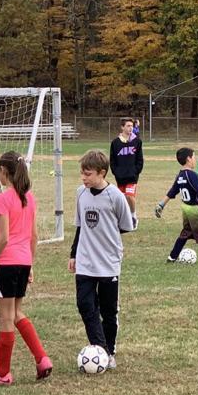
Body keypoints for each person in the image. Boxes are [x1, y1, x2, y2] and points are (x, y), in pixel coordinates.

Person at [0, 151, 52, 386]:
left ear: (4, 172)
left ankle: (3, 374)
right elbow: (33, 236)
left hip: (6, 263)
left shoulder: (3, 199)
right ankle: (42, 359)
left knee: (5, 318)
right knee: (17, 313)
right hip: (22, 262)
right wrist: (29, 264)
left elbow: (2, 238)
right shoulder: (29, 198)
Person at [68, 150, 134, 370]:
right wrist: (74, 253)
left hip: (108, 262)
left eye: (88, 174)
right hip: (85, 261)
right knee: (85, 304)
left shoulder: (115, 196)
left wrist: (105, 239)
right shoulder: (80, 193)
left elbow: (125, 226)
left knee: (108, 311)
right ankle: (100, 349)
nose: (83, 178)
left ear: (102, 173)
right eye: (82, 174)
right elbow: (80, 226)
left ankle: (109, 350)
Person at [157, 147, 198, 264]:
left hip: (186, 208)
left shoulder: (181, 175)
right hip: (196, 208)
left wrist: (161, 204)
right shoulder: (191, 175)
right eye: (193, 157)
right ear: (188, 159)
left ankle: (172, 257)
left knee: (186, 233)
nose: (195, 159)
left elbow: (172, 192)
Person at [109, 118, 144, 224]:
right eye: (128, 126)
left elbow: (140, 159)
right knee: (122, 198)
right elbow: (112, 160)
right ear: (122, 127)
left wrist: (136, 171)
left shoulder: (137, 141)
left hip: (132, 176)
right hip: (120, 176)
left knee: (130, 195)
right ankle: (125, 218)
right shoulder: (115, 143)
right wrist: (116, 171)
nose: (130, 128)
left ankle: (133, 217)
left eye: (131, 126)